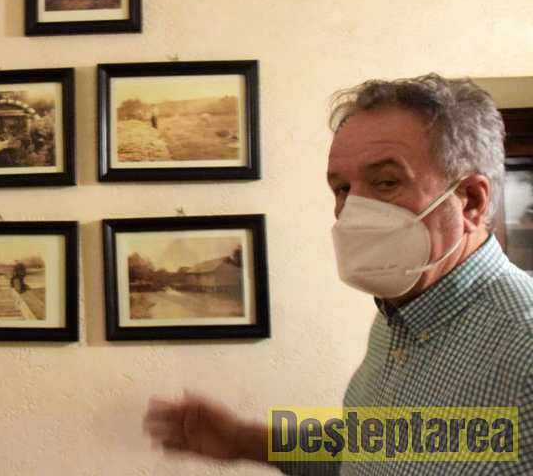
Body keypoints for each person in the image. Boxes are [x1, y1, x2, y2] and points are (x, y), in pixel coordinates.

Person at [143, 74, 533, 473]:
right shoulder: (397, 317)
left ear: (471, 201)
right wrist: (246, 440)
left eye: (386, 182)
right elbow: (374, 445)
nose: (352, 212)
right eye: (342, 188)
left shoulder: (524, 350)